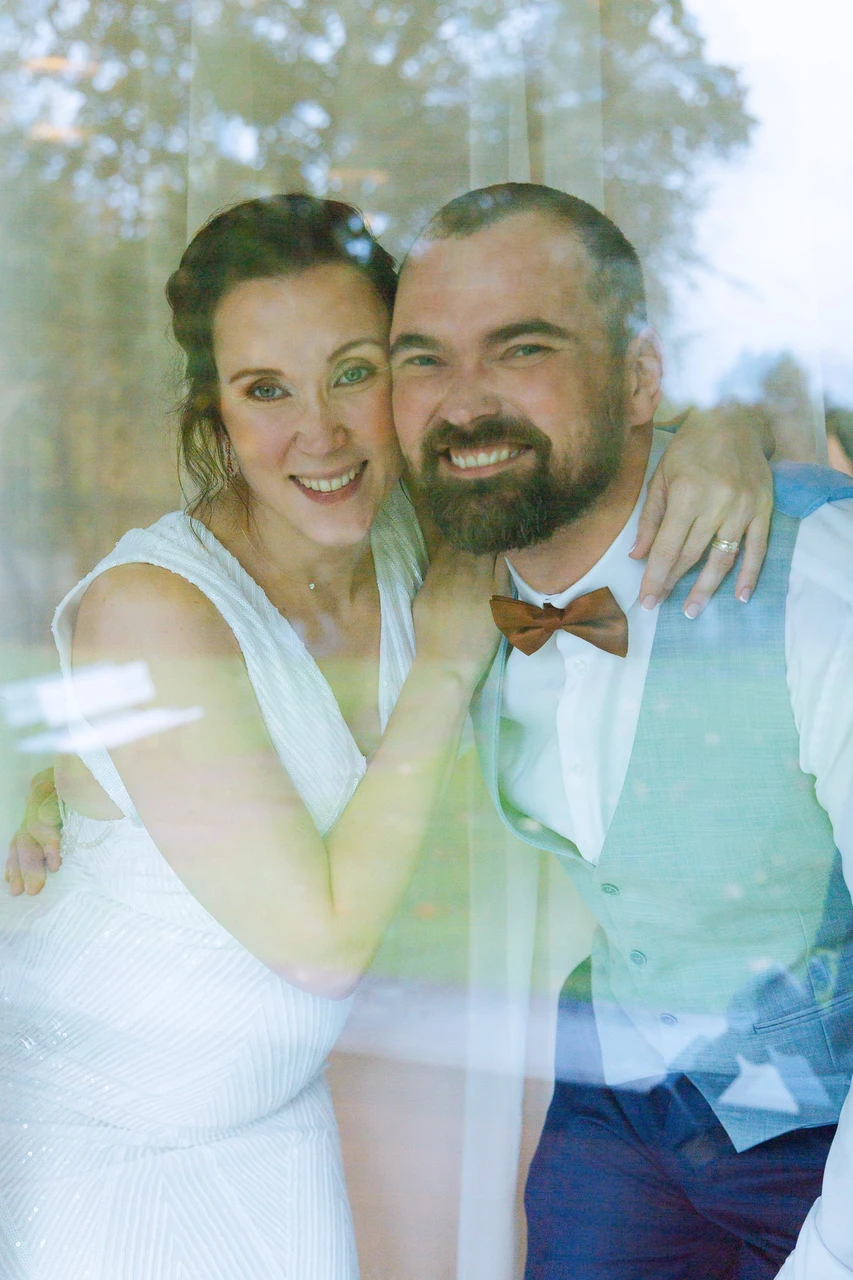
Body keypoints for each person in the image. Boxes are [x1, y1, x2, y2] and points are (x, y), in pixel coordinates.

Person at [0, 192, 776, 1279]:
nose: (317, 431)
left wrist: (732, 434)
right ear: (213, 412)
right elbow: (318, 949)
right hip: (98, 1150)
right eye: (264, 388)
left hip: (277, 1136)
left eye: (353, 372)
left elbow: (583, 436)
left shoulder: (417, 533)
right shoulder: (152, 609)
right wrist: (446, 666)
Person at [387, 182, 853, 1279]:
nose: (464, 403)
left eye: (520, 348)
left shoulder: (813, 576)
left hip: (816, 1126)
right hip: (615, 1097)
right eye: (424, 359)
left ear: (640, 379)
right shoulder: (446, 589)